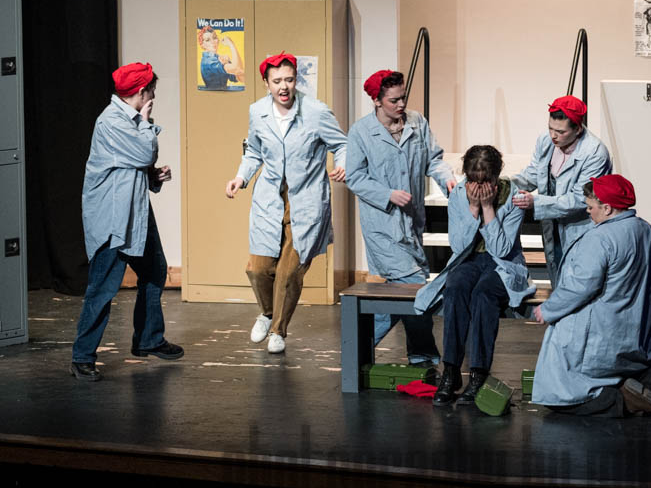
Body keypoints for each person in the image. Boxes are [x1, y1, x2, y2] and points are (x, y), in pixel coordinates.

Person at [531, 175, 651, 417]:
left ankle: (623, 400)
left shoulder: (600, 238)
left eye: (591, 207)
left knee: (560, 393)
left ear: (607, 208)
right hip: (633, 329)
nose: (588, 211)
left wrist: (549, 309)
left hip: (601, 331)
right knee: (615, 367)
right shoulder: (646, 230)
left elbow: (581, 286)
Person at [225, 52, 347, 354]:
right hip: (269, 199)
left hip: (305, 200)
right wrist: (241, 177)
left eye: (289, 80)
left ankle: (278, 329)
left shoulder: (316, 112)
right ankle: (267, 314)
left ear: (296, 81)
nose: (284, 87)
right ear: (266, 83)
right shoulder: (258, 112)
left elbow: (341, 144)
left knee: (289, 272)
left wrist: (342, 164)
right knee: (258, 268)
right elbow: (254, 151)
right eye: (277, 81)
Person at [71, 62, 181, 381]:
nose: (154, 97)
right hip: (113, 219)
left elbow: (133, 165)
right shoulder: (112, 122)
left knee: (155, 270)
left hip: (135, 213)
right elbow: (144, 153)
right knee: (103, 287)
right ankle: (82, 356)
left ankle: (148, 338)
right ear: (141, 91)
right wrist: (146, 124)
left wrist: (153, 177)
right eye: (152, 91)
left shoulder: (129, 120)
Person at [346, 70, 457, 367]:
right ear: (377, 101)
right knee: (414, 287)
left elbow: (433, 159)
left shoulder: (417, 122)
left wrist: (447, 179)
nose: (401, 104)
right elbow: (355, 177)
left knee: (401, 295)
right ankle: (424, 357)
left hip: (412, 224)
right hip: (383, 226)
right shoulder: (361, 132)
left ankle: (357, 349)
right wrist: (387, 194)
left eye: (403, 97)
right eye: (393, 100)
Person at [414, 145, 535, 406]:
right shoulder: (459, 194)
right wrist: (472, 208)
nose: (478, 187)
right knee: (455, 288)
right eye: (473, 180)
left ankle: (479, 373)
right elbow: (459, 246)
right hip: (468, 258)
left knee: (483, 294)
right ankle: (451, 370)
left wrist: (488, 208)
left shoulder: (513, 197)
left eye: (485, 181)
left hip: (503, 263)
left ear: (496, 177)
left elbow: (502, 250)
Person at [512, 95, 612, 287]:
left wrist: (535, 202)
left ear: (578, 129)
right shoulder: (546, 141)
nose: (553, 135)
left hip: (580, 226)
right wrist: (505, 185)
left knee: (580, 281)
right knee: (557, 273)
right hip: (553, 223)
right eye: (550, 128)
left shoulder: (595, 153)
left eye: (560, 131)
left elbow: (581, 198)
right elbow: (534, 173)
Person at [198, 25, 244, 90]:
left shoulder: (218, 59)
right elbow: (237, 69)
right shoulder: (208, 61)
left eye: (214, 38)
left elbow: (242, 78)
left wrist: (228, 63)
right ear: (202, 45)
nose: (213, 42)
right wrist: (231, 44)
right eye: (208, 40)